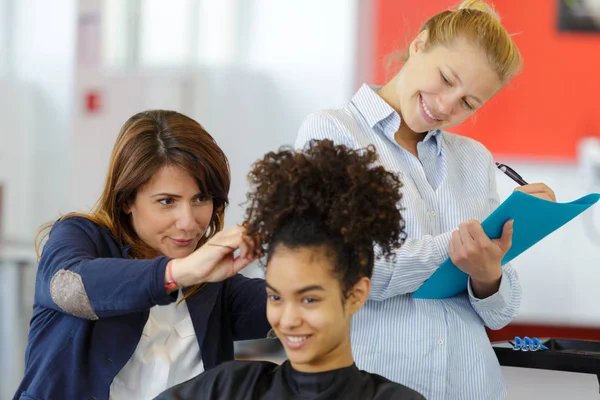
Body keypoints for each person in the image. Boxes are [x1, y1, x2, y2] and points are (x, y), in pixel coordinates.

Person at [295, 1, 557, 399]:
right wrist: (459, 248)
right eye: (446, 79)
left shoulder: (474, 158)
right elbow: (345, 269)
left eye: (469, 103)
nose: (447, 106)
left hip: (471, 386)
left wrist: (488, 274)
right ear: (419, 45)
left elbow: (500, 314)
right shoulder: (332, 131)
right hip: (375, 385)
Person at [14, 110, 271, 400]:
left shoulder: (214, 285)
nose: (188, 221)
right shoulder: (81, 236)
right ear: (126, 200)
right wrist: (177, 273)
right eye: (166, 201)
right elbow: (69, 288)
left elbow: (296, 304)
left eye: (200, 198)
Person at [155, 139, 425, 400]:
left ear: (356, 294)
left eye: (309, 299)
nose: (287, 320)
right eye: (275, 297)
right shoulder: (228, 388)